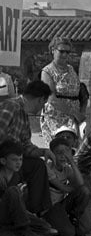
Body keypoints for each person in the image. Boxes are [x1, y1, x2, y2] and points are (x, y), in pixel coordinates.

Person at [0, 81, 54, 217]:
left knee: (38, 165)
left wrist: (43, 152)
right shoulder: (10, 106)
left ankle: (37, 211)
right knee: (15, 168)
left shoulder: (24, 115)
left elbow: (25, 146)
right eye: (43, 103)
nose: (42, 107)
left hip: (14, 159)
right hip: (4, 161)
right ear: (41, 99)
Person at [44, 131, 91, 236]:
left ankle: (74, 217)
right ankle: (50, 224)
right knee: (68, 233)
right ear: (52, 154)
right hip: (50, 207)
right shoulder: (47, 167)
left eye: (66, 152)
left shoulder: (66, 169)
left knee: (84, 190)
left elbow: (80, 184)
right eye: (59, 153)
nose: (63, 156)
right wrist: (75, 190)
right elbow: (63, 188)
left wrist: (71, 160)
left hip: (61, 204)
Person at [39, 37, 86, 145]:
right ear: (53, 50)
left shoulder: (71, 69)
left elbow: (81, 93)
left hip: (73, 120)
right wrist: (75, 113)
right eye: (61, 51)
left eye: (67, 52)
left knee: (73, 151)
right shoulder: (47, 72)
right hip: (55, 119)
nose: (65, 54)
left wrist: (81, 113)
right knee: (58, 151)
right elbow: (52, 99)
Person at [0, 142, 52, 234]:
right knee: (13, 191)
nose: (18, 163)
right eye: (14, 160)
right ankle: (23, 228)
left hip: (12, 212)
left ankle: (17, 226)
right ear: (3, 161)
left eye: (20, 159)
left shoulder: (16, 175)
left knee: (45, 226)